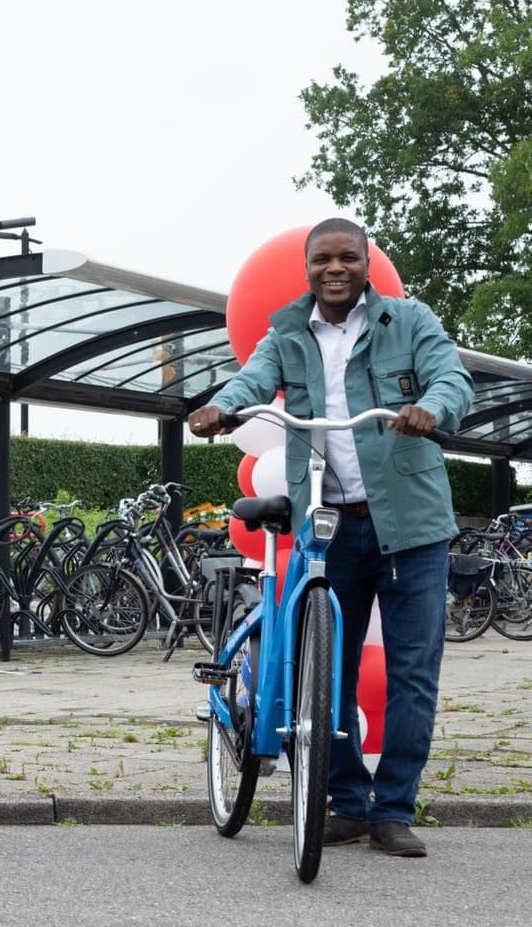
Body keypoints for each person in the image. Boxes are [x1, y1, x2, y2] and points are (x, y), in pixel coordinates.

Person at [187, 217, 473, 859]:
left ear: (366, 264)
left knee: (413, 672)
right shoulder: (287, 330)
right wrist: (222, 407)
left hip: (412, 526)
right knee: (327, 672)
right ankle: (345, 802)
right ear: (309, 267)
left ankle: (394, 809)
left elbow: (452, 378)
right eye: (323, 260)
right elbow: (252, 381)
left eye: (348, 257)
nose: (334, 269)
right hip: (328, 525)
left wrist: (435, 408)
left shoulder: (410, 320)